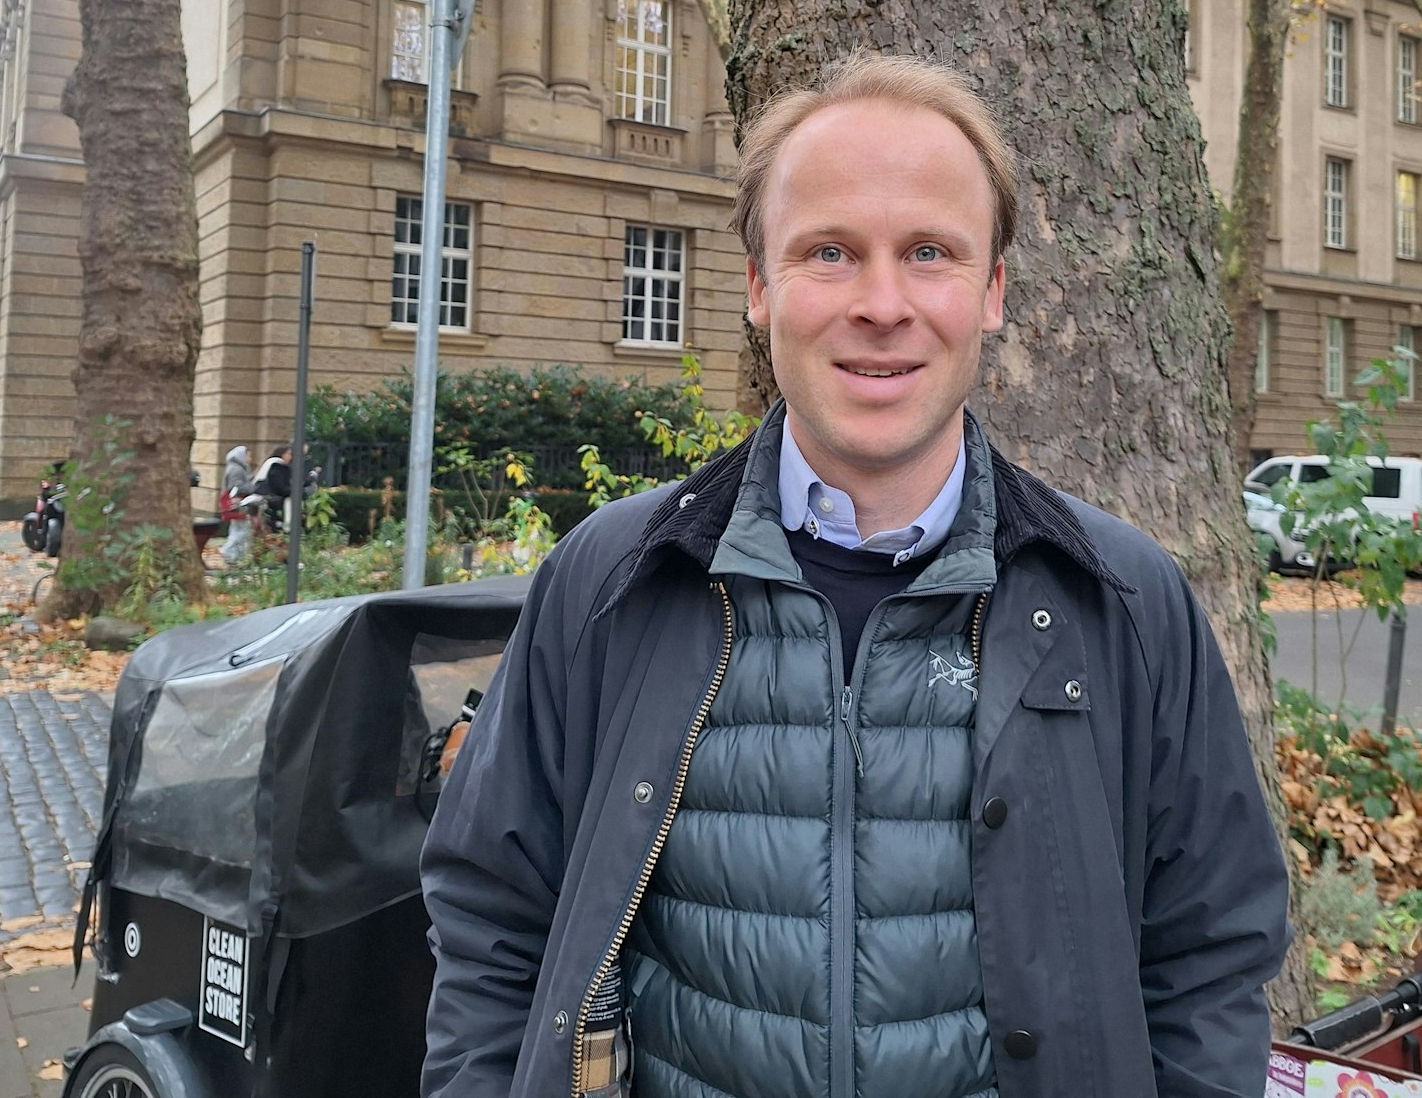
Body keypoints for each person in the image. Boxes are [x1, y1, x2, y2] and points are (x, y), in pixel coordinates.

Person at [420, 54, 1292, 1098]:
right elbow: (491, 918)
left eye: (928, 252)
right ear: (758, 287)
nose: (882, 304)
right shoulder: (610, 582)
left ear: (992, 292)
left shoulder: (1124, 602)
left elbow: (1210, 956)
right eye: (829, 252)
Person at [220, 445, 257, 563]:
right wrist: (252, 486)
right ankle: (230, 553)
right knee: (240, 531)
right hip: (238, 504)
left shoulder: (236, 468)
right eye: (249, 455)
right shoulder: (237, 469)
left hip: (237, 504)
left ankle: (235, 555)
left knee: (238, 530)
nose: (250, 459)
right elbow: (236, 486)